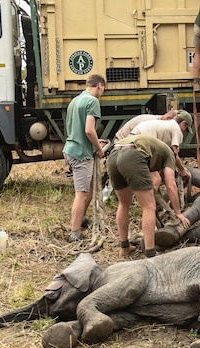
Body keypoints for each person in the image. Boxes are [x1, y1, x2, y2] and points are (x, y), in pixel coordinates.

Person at [107, 134, 191, 258]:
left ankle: (124, 247)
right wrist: (178, 213)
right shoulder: (169, 154)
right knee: (149, 207)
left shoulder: (155, 150)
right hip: (132, 154)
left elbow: (153, 179)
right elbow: (171, 185)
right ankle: (151, 253)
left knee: (123, 204)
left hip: (113, 154)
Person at [63, 74, 107, 243]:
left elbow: (78, 129)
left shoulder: (75, 100)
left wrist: (95, 141)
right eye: (103, 89)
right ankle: (75, 232)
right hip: (81, 154)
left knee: (87, 188)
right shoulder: (93, 102)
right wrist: (98, 148)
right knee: (81, 194)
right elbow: (89, 130)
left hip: (71, 148)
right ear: (100, 86)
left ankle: (80, 219)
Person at [129, 110, 194, 179]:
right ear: (183, 123)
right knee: (155, 180)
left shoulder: (166, 125)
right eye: (186, 129)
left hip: (131, 139)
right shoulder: (176, 129)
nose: (183, 131)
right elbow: (174, 154)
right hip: (140, 142)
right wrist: (182, 169)